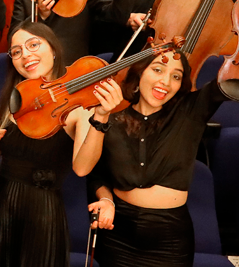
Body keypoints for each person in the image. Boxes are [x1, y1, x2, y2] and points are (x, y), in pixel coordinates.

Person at [0, 21, 122, 267]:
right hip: (1, 207)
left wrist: (101, 118)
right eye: (17, 51)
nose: (26, 55)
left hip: (43, 212)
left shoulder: (77, 106)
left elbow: (82, 168)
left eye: (34, 44)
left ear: (53, 49)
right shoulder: (11, 98)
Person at [90, 50, 236, 266]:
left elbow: (228, 81)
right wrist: (106, 199)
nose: (166, 81)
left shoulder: (191, 110)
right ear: (140, 73)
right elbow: (98, 172)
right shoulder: (112, 117)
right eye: (158, 69)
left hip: (170, 241)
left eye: (176, 76)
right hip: (117, 235)